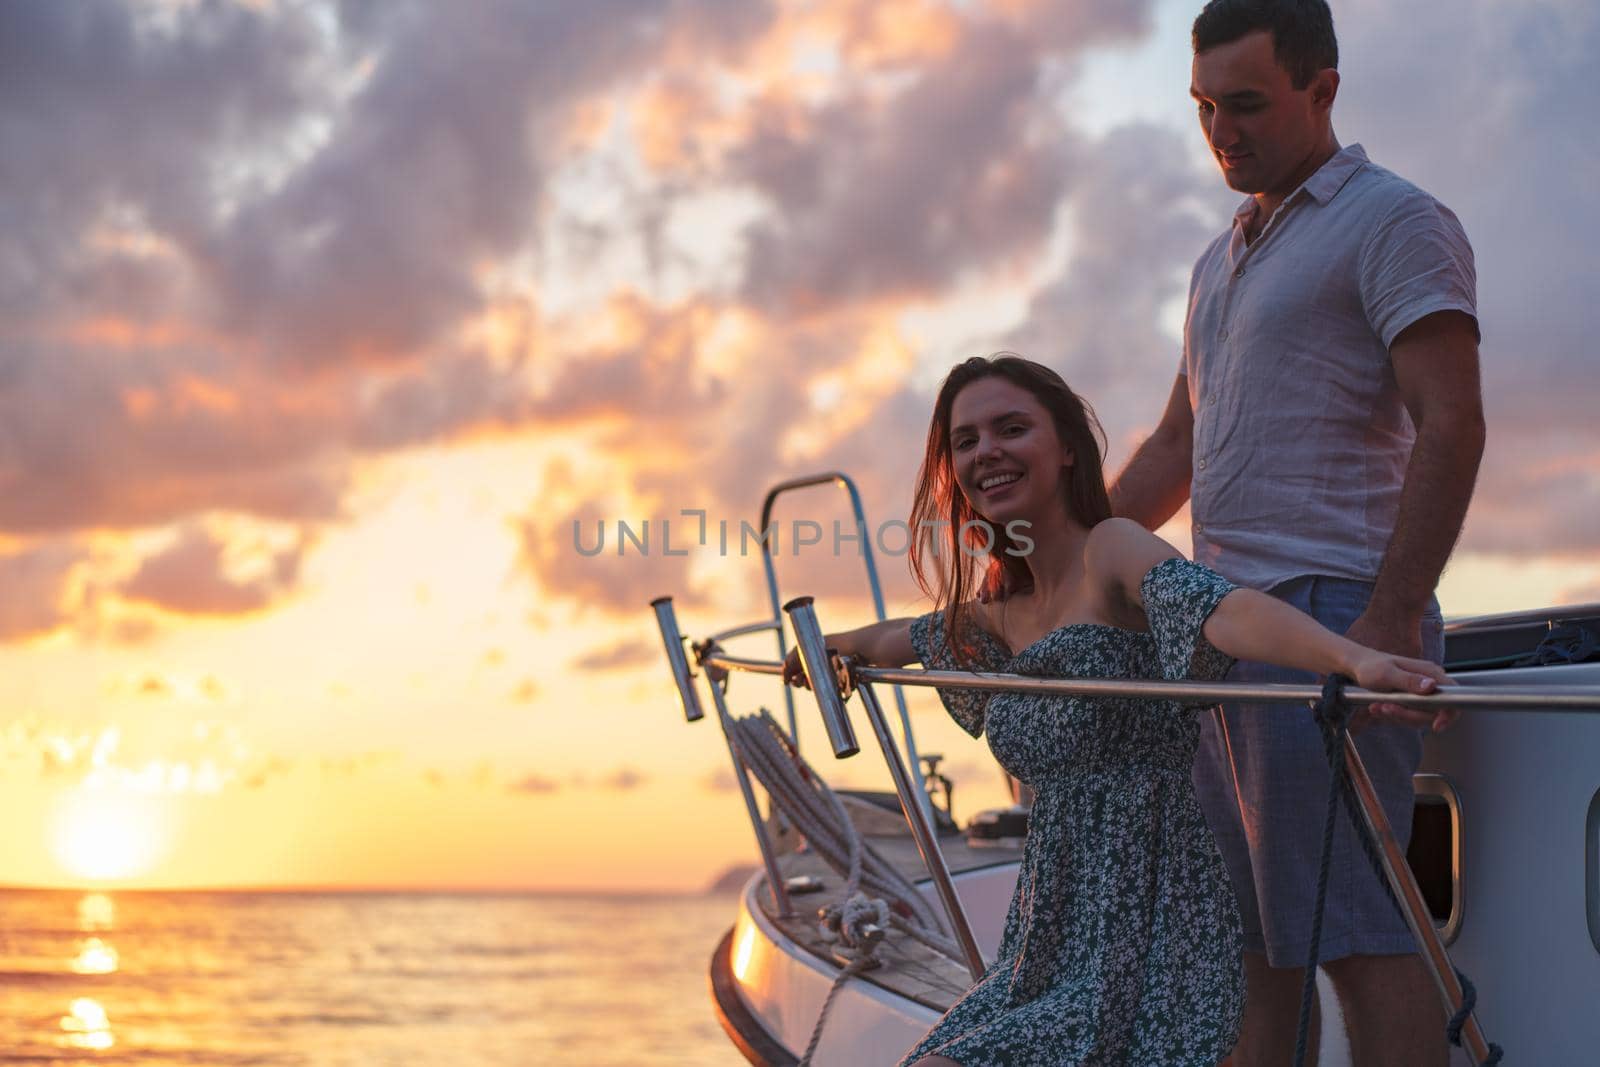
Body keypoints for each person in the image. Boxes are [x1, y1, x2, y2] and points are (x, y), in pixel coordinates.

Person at [784, 354, 1447, 1066]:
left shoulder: (1111, 549)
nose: (988, 452)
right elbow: (899, 639)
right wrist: (828, 649)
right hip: (1050, 937)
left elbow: (1224, 611)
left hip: (1153, 931)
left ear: (1067, 447)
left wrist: (1353, 659)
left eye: (1012, 428)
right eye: (966, 439)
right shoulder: (1001, 612)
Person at [1109, 3, 1484, 1063]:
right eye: (1202, 107)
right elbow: (1175, 444)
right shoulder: (1214, 260)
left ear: (1321, 90)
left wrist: (1387, 623)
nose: (1221, 131)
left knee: (1360, 937)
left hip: (1331, 614)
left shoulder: (1394, 221)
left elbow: (1451, 420)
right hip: (1220, 635)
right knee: (1243, 947)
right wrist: (1059, 551)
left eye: (1246, 104)